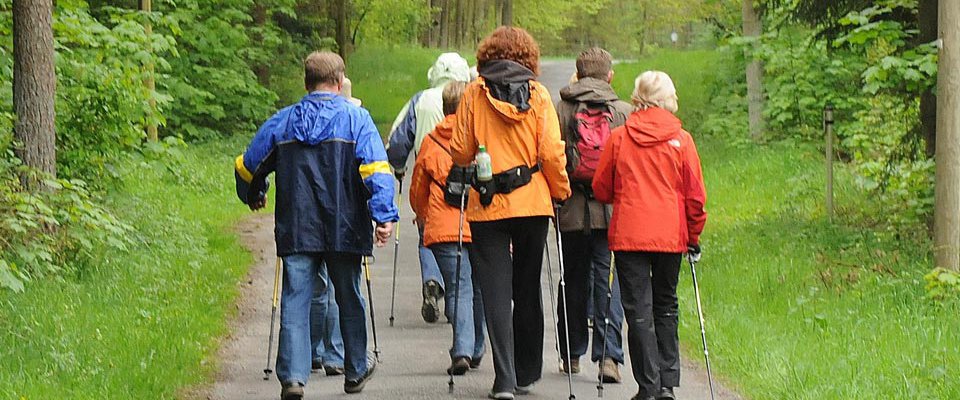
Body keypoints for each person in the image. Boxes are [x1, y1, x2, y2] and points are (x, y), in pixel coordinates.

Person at [233, 51, 397, 400]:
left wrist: (254, 194)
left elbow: (247, 166)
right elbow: (376, 171)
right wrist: (384, 217)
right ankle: (354, 371)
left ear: (305, 83)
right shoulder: (357, 120)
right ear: (340, 83)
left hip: (298, 226)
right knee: (349, 297)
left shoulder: (283, 121)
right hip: (345, 226)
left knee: (295, 300)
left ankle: (293, 378)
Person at [450, 26, 571, 400]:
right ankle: (526, 373)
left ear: (487, 54)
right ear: (528, 57)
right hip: (532, 204)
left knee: (496, 292)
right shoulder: (538, 94)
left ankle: (503, 380)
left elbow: (459, 150)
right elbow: (551, 152)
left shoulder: (474, 92)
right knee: (528, 286)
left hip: (488, 207)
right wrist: (561, 191)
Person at [591, 71, 707, 400]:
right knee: (666, 305)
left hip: (630, 234)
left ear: (638, 97)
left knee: (638, 310)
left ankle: (648, 385)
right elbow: (696, 197)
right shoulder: (682, 140)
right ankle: (668, 383)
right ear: (669, 97)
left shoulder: (619, 138)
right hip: (670, 236)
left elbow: (601, 187)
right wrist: (693, 236)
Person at [554, 47, 634, 383]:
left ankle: (571, 354)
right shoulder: (624, 112)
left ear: (578, 73)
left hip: (571, 207)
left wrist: (555, 198)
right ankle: (608, 358)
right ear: (609, 75)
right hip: (610, 209)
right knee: (606, 279)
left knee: (572, 277)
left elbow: (553, 157)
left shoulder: (561, 108)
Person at [387, 53, 472, 324]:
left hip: (430, 176)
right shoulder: (469, 98)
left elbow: (398, 141)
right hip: (464, 182)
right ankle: (459, 298)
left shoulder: (420, 100)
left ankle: (433, 280)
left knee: (429, 233)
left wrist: (399, 168)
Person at [409, 80, 487, 375]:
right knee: (479, 287)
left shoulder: (431, 142)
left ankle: (462, 349)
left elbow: (418, 189)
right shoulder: (482, 140)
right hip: (480, 224)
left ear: (444, 107)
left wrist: (422, 214)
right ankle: (476, 348)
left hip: (444, 228)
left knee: (458, 288)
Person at [307, 75, 364, 377]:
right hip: (346, 220)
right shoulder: (355, 124)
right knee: (343, 290)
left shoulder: (304, 124)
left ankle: (313, 351)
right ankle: (336, 354)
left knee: (319, 289)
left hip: (309, 219)